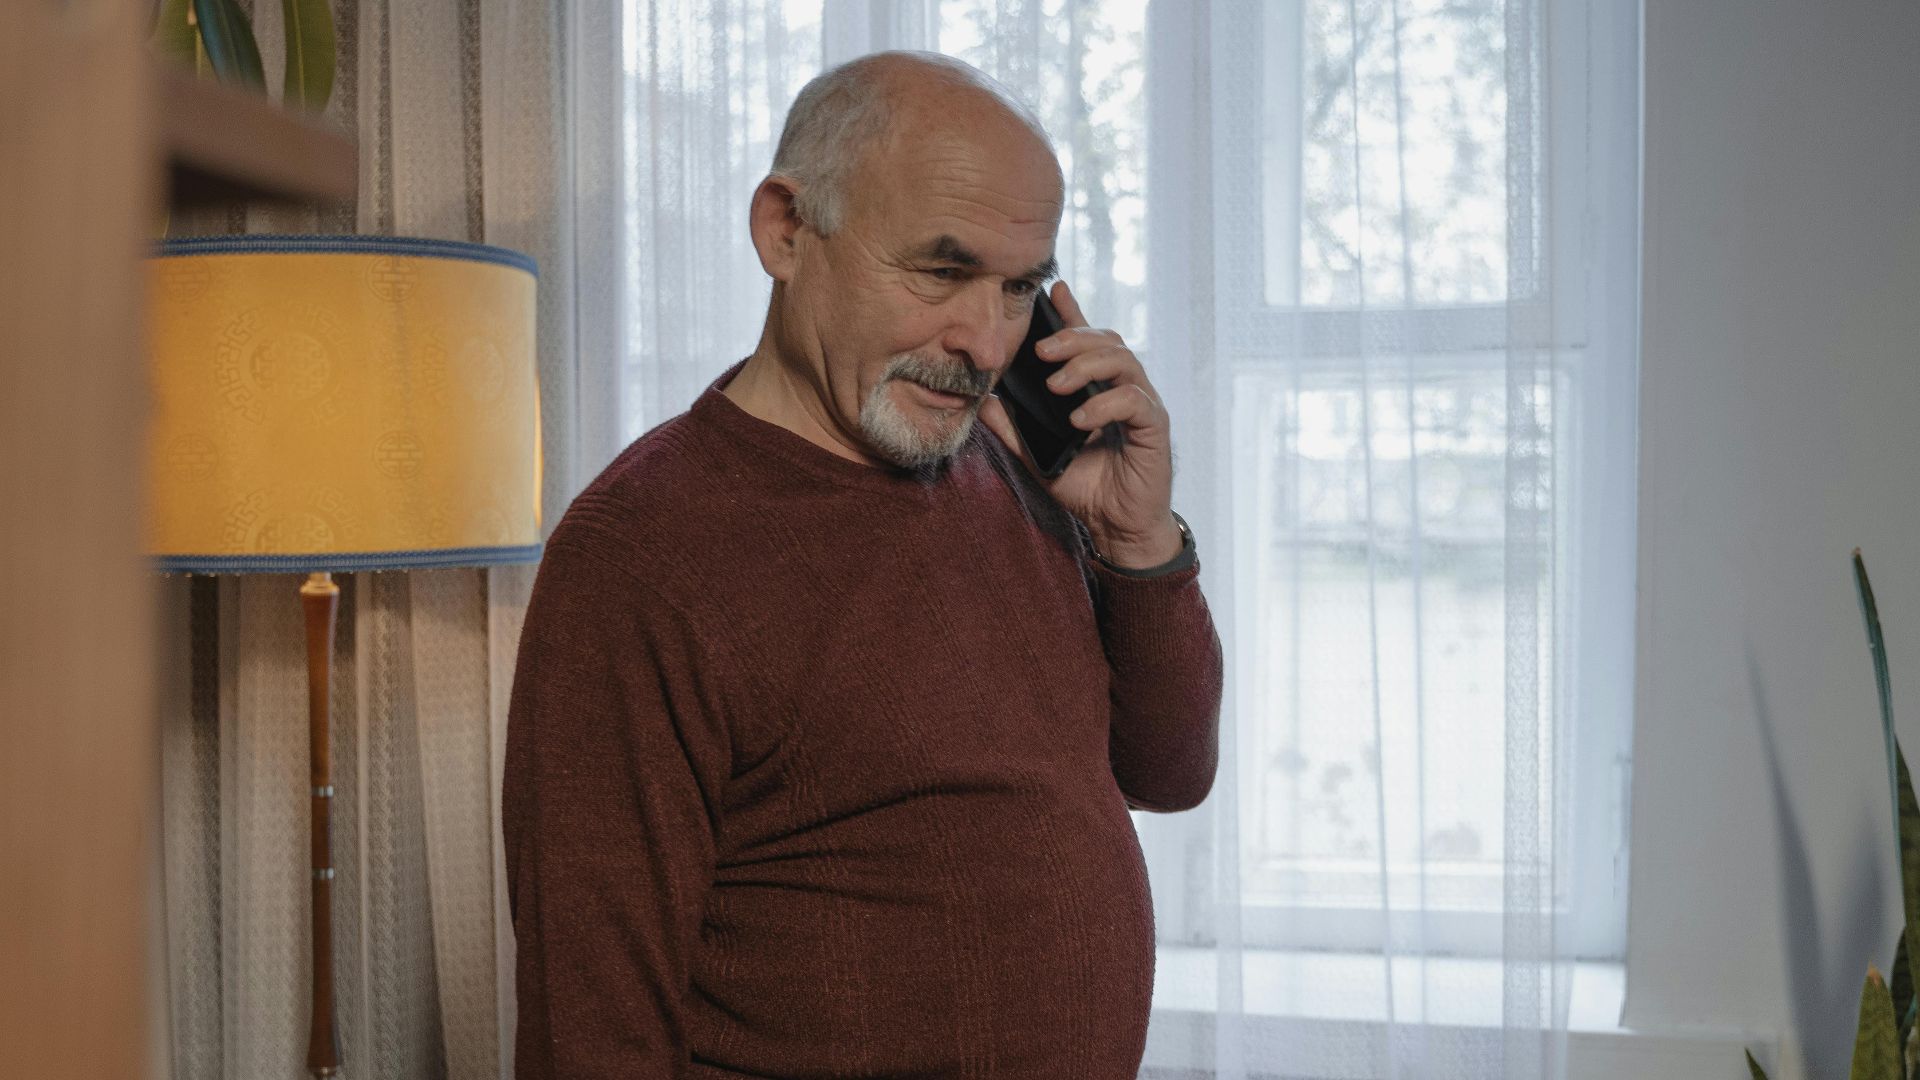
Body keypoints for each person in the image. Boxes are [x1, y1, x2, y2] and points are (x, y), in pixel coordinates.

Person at [502, 50, 1224, 1079]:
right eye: (941, 272)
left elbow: (1168, 772)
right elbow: (593, 1028)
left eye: (1019, 288)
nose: (986, 345)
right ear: (786, 231)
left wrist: (1138, 542)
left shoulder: (1013, 469)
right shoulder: (641, 555)